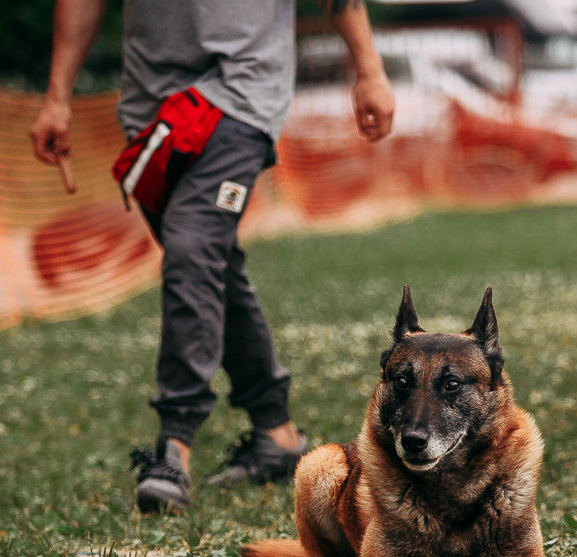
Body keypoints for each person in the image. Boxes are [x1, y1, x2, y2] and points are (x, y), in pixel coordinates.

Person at [29, 0, 394, 513]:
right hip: (151, 109)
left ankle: (173, 444)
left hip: (241, 95)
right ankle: (279, 436)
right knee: (208, 263)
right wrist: (57, 96)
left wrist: (370, 70)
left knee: (193, 246)